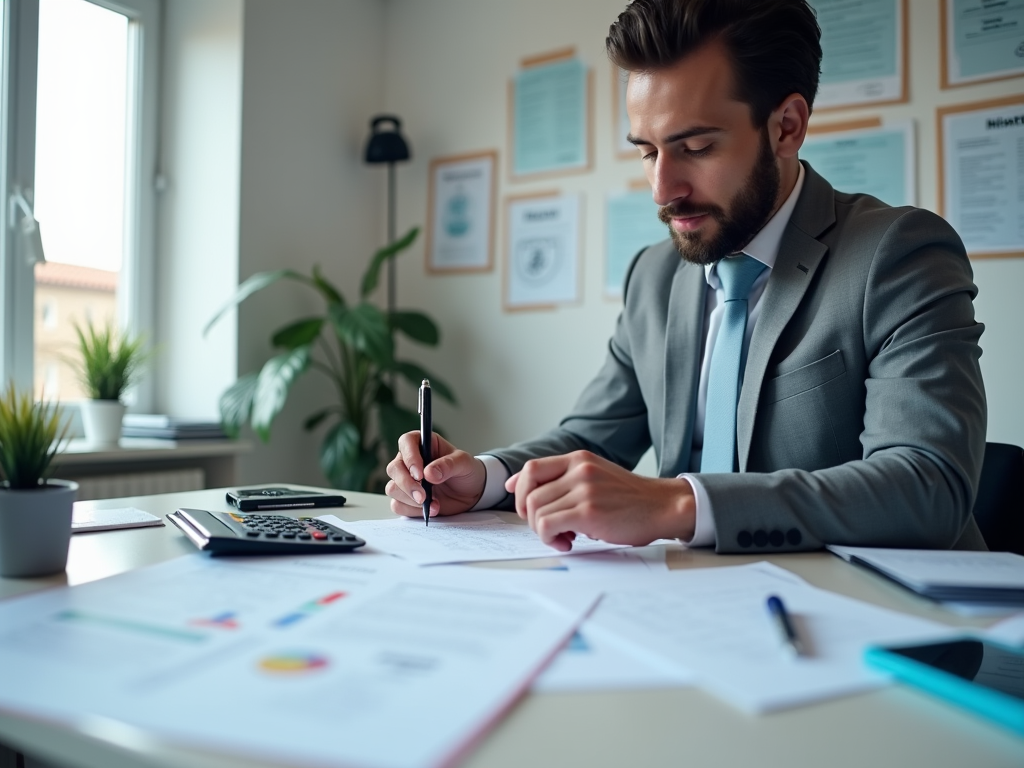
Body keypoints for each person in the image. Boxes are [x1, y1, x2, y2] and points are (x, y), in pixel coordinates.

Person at [385, 0, 988, 553]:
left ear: (787, 126)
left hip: (886, 632)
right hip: (692, 613)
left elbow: (927, 485)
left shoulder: (898, 253)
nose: (662, 189)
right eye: (647, 151)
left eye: (695, 147)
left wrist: (676, 502)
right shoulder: (654, 276)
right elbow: (593, 438)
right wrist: (484, 478)